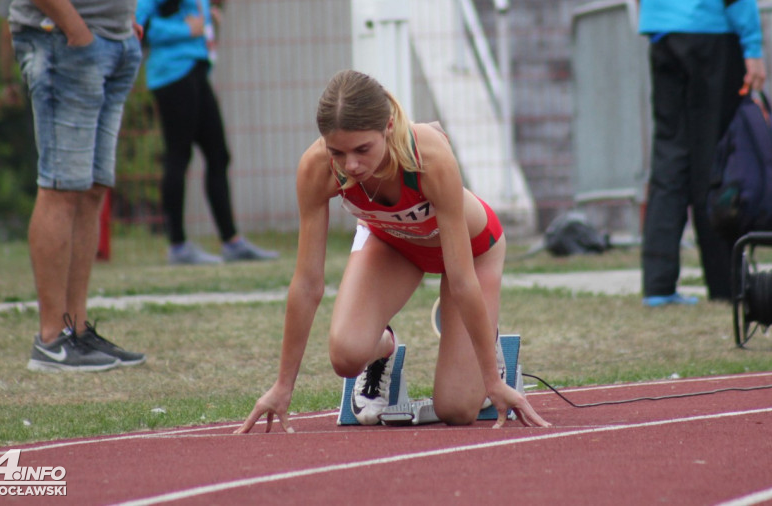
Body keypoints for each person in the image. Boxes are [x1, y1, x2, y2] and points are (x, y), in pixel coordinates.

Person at [236, 70, 550, 432]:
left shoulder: (428, 156)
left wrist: (493, 383)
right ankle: (383, 350)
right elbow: (307, 283)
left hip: (472, 252)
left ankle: (489, 346)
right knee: (346, 356)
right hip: (394, 243)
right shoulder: (316, 167)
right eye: (337, 151)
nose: (351, 165)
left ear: (387, 126)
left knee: (458, 410)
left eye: (362, 150)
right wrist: (282, 386)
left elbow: (462, 279)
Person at [0, 0, 145, 371]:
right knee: (61, 186)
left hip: (110, 42)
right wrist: (76, 30)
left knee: (90, 188)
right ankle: (48, 338)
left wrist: (122, 30)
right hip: (65, 42)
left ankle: (77, 329)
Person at [634, 0, 767, 306]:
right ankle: (724, 284)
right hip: (711, 34)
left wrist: (656, 11)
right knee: (714, 160)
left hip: (664, 30)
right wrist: (753, 45)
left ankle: (659, 285)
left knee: (670, 155)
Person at [136, 0, 278, 265]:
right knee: (178, 157)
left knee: (218, 153)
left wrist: (203, 20)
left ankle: (231, 242)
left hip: (196, 71)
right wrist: (187, 28)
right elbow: (138, 24)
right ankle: (178, 246)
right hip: (172, 75)